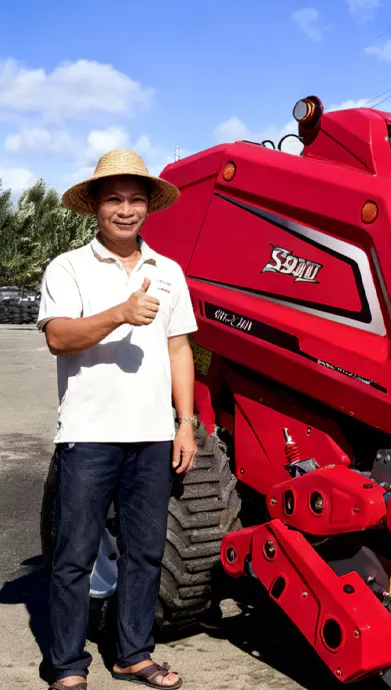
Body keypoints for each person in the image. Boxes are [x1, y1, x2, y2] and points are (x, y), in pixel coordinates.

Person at [38, 150, 198, 689]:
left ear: (148, 207)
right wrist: (119, 314)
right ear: (95, 207)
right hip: (88, 436)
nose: (125, 210)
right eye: (114, 200)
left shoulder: (169, 271)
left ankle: (133, 654)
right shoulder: (69, 267)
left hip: (153, 436)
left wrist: (186, 421)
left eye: (135, 200)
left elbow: (179, 349)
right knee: (73, 557)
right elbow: (59, 337)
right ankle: (64, 666)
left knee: (145, 553)